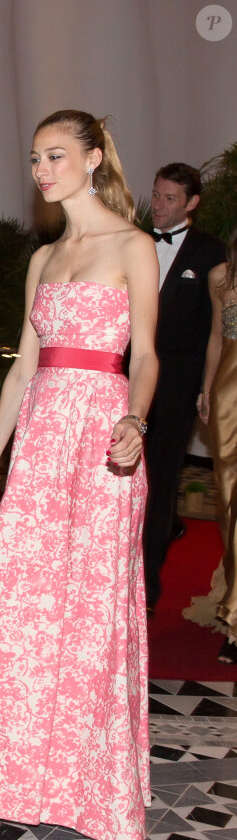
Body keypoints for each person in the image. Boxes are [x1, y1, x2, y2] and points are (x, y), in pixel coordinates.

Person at [0, 109, 159, 840]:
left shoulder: (134, 246)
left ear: (94, 159)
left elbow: (147, 356)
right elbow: (25, 366)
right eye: (34, 158)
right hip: (40, 444)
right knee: (5, 599)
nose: (41, 169)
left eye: (55, 155)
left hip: (102, 441)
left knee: (87, 618)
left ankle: (82, 786)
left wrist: (138, 420)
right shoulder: (44, 259)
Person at [143, 164, 225, 613]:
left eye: (170, 198)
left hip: (176, 383)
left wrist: (207, 387)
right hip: (129, 376)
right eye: (156, 195)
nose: (158, 205)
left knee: (160, 480)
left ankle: (146, 585)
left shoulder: (210, 252)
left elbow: (217, 330)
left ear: (191, 203)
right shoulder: (134, 241)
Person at [194, 225, 237, 663]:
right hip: (228, 399)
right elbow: (215, 338)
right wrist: (206, 389)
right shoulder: (221, 277)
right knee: (227, 508)